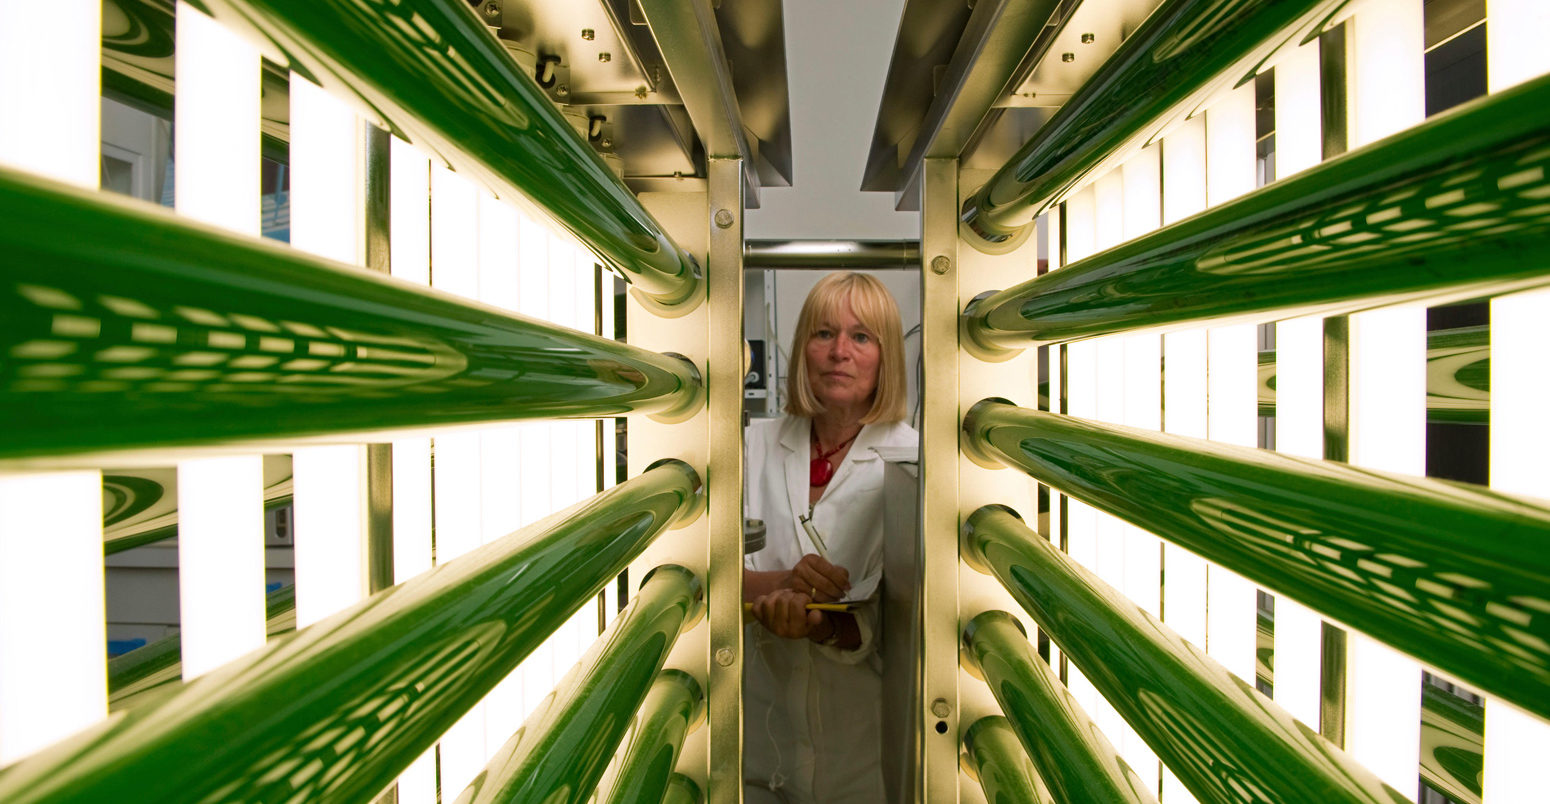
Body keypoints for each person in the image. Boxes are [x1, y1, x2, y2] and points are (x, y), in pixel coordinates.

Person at [743, 272, 917, 803]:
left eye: (862, 337)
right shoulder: (751, 443)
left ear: (885, 357)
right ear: (802, 350)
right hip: (756, 747)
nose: (840, 351)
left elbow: (905, 616)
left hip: (862, 758)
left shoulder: (913, 462)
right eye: (823, 334)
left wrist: (821, 625)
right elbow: (696, 568)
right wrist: (782, 585)